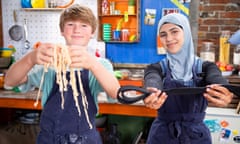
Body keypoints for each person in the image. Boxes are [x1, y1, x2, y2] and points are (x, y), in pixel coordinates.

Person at [4, 4, 120, 144]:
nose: (77, 30)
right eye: (70, 24)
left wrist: (93, 65)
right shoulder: (50, 65)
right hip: (50, 138)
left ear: (92, 32)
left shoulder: (99, 64)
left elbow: (115, 93)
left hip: (86, 138)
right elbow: (9, 81)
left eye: (84, 25)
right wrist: (30, 59)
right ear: (62, 30)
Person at [143, 13, 233, 144]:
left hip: (196, 136)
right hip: (162, 136)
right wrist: (151, 92)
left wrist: (225, 91)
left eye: (174, 32)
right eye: (163, 34)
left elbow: (216, 78)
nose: (168, 38)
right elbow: (152, 79)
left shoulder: (205, 67)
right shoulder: (155, 68)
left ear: (186, 32)